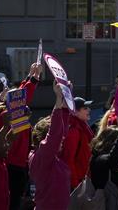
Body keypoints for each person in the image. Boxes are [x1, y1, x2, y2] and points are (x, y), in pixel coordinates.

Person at [0, 62, 40, 210]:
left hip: (20, 164)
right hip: (13, 165)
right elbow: (22, 97)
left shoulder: (9, 112)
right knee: (14, 201)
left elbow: (21, 95)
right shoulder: (5, 116)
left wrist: (30, 76)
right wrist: (34, 79)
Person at [29, 80, 70, 210]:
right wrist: (58, 99)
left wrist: (65, 100)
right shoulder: (42, 155)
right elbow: (55, 133)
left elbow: (60, 130)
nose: (62, 140)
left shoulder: (48, 156)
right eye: (60, 139)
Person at [90, 118, 118, 210]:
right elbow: (113, 159)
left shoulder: (111, 158)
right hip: (111, 204)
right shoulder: (100, 159)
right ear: (113, 143)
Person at [62, 96, 95, 190]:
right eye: (85, 108)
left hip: (84, 178)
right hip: (77, 182)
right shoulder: (74, 131)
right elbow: (68, 160)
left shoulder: (82, 126)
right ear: (75, 112)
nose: (89, 110)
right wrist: (75, 185)